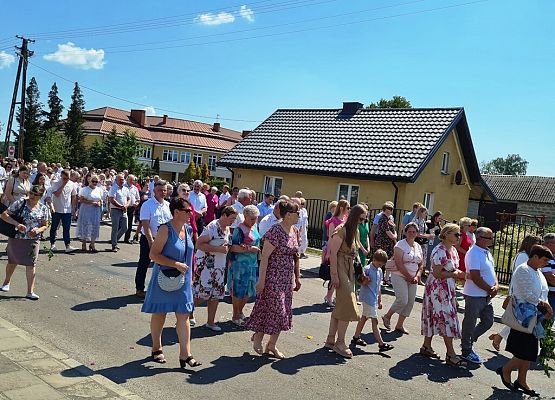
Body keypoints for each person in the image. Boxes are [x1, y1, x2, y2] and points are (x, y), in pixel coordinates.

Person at [141, 197, 201, 369]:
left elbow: (190, 255)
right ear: (176, 212)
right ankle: (156, 348)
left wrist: (192, 273)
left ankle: (185, 354)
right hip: (164, 279)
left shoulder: (188, 229)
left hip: (183, 281)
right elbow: (153, 255)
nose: (191, 213)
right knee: (160, 314)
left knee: (184, 316)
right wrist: (175, 264)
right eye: (187, 211)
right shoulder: (165, 230)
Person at [246, 200, 302, 358]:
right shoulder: (275, 230)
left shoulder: (295, 231)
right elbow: (264, 258)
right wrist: (261, 280)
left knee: (282, 312)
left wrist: (297, 277)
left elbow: (296, 256)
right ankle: (258, 336)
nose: (300, 216)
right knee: (274, 309)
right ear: (289, 215)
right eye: (298, 213)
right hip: (273, 277)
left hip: (286, 279)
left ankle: (272, 345)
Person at [498, 245, 553, 396]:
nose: (546, 263)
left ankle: (522, 380)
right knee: (526, 352)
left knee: (529, 352)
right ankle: (505, 370)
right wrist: (545, 305)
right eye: (544, 260)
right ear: (534, 256)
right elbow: (526, 294)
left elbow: (543, 292)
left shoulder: (538, 271)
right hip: (523, 317)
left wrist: (545, 306)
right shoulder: (523, 269)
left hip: (534, 317)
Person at [420, 223, 468, 367]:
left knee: (435, 317)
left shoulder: (452, 250)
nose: (459, 237)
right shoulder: (439, 250)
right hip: (437, 290)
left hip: (448, 289)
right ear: (446, 234)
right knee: (446, 319)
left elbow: (454, 269)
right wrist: (455, 274)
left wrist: (463, 275)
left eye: (459, 234)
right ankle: (451, 354)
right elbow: (436, 273)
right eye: (456, 234)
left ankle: (426, 346)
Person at [325, 204, 366, 358]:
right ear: (355, 216)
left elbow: (354, 253)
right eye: (361, 219)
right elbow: (333, 253)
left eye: (364, 219)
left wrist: (361, 272)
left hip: (349, 269)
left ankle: (331, 339)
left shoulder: (353, 231)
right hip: (340, 267)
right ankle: (340, 342)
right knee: (348, 304)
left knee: (343, 304)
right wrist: (334, 275)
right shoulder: (341, 229)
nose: (363, 222)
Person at [0, 185, 51, 300]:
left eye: (35, 194)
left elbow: (45, 224)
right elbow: (4, 215)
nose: (32, 196)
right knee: (13, 261)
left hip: (33, 240)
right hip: (17, 237)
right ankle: (6, 282)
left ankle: (30, 291)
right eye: (31, 193)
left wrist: (37, 230)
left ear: (40, 196)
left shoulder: (43, 208)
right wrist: (17, 224)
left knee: (31, 264)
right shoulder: (21, 203)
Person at [193, 206, 237, 331]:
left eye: (234, 218)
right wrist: (218, 249)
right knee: (201, 295)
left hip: (219, 266)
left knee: (215, 295)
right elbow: (199, 244)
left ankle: (210, 322)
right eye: (231, 218)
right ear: (224, 215)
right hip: (206, 266)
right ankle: (185, 314)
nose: (233, 221)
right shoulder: (212, 226)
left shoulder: (227, 228)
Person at [460, 227, 498, 364]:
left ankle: (469, 341)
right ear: (480, 238)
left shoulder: (487, 252)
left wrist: (496, 285)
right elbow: (475, 276)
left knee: (488, 321)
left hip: (486, 295)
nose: (492, 240)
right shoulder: (474, 253)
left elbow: (492, 272)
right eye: (489, 238)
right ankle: (466, 350)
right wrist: (489, 289)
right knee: (470, 322)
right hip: (474, 294)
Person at [382, 222, 423, 334]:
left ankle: (399, 325)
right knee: (402, 299)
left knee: (410, 302)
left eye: (414, 232)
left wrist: (417, 276)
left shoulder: (418, 246)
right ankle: (387, 316)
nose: (411, 233)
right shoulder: (400, 245)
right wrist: (409, 277)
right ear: (405, 232)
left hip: (413, 277)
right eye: (409, 231)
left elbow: (421, 264)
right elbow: (399, 263)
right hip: (399, 275)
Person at [134, 180, 172, 298]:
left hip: (163, 239)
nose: (162, 192)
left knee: (162, 264)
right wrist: (151, 242)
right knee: (144, 263)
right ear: (154, 190)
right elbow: (146, 224)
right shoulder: (147, 204)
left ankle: (159, 288)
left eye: (164, 190)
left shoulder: (167, 205)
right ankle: (139, 288)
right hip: (148, 239)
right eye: (160, 190)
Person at [351, 249, 393, 351]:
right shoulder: (367, 269)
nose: (380, 266)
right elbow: (360, 280)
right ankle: (381, 344)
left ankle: (356, 337)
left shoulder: (379, 271)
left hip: (373, 298)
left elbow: (378, 286)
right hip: (367, 298)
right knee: (375, 321)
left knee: (364, 318)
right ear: (373, 260)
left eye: (382, 265)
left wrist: (379, 299)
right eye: (378, 264)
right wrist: (364, 279)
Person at [229, 205, 261, 326]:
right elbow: (233, 247)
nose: (254, 221)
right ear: (245, 217)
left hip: (252, 264)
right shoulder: (239, 229)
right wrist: (249, 248)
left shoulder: (254, 227)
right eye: (252, 218)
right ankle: (235, 315)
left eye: (256, 218)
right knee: (238, 290)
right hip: (240, 265)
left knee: (249, 290)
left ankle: (240, 311)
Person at [323, 199, 349, 306]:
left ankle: (334, 297)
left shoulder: (346, 219)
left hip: (343, 251)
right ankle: (329, 296)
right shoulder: (333, 221)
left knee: (342, 276)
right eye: (348, 208)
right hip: (335, 250)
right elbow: (330, 238)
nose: (349, 210)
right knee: (334, 275)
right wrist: (328, 252)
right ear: (342, 208)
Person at [47, 170, 77, 253]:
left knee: (66, 228)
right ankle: (52, 244)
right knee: (54, 227)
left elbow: (73, 196)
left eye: (68, 178)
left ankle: (67, 245)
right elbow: (56, 194)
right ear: (61, 176)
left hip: (67, 209)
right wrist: (63, 184)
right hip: (57, 209)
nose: (66, 180)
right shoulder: (56, 183)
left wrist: (74, 209)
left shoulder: (72, 184)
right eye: (64, 178)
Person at [76, 175, 103, 252]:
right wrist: (92, 202)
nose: (94, 183)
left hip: (95, 210)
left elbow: (100, 200)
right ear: (90, 181)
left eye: (96, 182)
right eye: (93, 181)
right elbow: (81, 200)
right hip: (86, 209)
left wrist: (99, 204)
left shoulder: (99, 190)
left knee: (95, 226)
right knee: (85, 225)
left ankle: (92, 243)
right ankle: (84, 244)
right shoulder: (85, 189)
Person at [108, 174, 131, 252]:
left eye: (123, 179)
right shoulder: (113, 188)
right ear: (116, 180)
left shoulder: (126, 189)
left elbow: (129, 199)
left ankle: (114, 240)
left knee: (125, 227)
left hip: (124, 210)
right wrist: (121, 206)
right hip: (115, 210)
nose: (122, 181)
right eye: (120, 179)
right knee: (115, 228)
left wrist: (126, 206)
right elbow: (112, 199)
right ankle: (114, 245)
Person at [124, 174, 140, 244]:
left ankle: (127, 238)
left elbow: (138, 198)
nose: (131, 181)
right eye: (130, 179)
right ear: (127, 179)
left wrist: (137, 203)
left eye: (132, 180)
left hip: (131, 207)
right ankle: (116, 238)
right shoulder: (123, 187)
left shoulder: (135, 188)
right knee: (120, 223)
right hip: (123, 207)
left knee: (129, 224)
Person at [541, 233, 555, 313]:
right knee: (546, 321)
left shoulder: (552, 257)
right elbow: (549, 278)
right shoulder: (545, 257)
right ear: (549, 244)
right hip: (549, 295)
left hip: (552, 295)